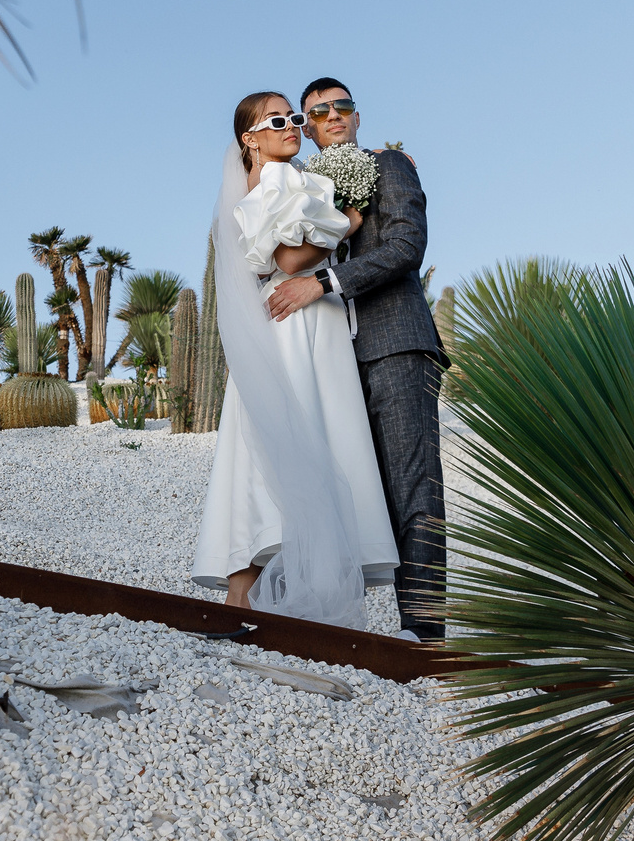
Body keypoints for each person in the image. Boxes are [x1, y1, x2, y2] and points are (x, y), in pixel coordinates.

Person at [189, 91, 400, 624]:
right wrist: (350, 220)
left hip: (300, 318)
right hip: (296, 320)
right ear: (249, 139)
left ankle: (246, 597)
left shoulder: (282, 177)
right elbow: (289, 259)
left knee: (267, 445)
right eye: (277, 120)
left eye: (295, 118)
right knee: (305, 436)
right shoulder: (275, 180)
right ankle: (274, 596)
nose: (291, 126)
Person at [263, 79, 447, 639]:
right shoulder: (305, 185)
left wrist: (323, 282)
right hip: (331, 361)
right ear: (306, 127)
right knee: (347, 491)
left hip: (394, 344)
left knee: (413, 489)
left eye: (342, 106)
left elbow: (406, 246)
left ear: (357, 116)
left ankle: (424, 632)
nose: (333, 116)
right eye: (318, 112)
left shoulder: (389, 165)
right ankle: (336, 619)